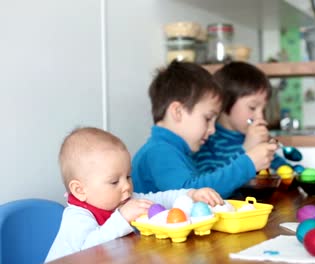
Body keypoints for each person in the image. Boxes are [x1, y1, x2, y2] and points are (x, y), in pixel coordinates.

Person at [46, 127, 223, 262]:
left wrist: (191, 194)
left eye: (128, 176)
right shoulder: (77, 217)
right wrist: (122, 218)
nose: (126, 186)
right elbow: (88, 251)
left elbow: (161, 199)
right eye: (114, 181)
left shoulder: (124, 200)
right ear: (80, 190)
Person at [131, 61, 278, 198]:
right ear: (177, 112)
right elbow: (194, 194)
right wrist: (248, 163)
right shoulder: (160, 152)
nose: (213, 130)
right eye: (207, 119)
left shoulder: (176, 150)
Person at [193, 61, 289, 174]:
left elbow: (282, 169)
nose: (260, 117)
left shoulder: (256, 138)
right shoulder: (207, 140)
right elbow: (210, 181)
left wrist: (296, 172)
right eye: (252, 108)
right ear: (224, 102)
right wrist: (246, 150)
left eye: (263, 109)